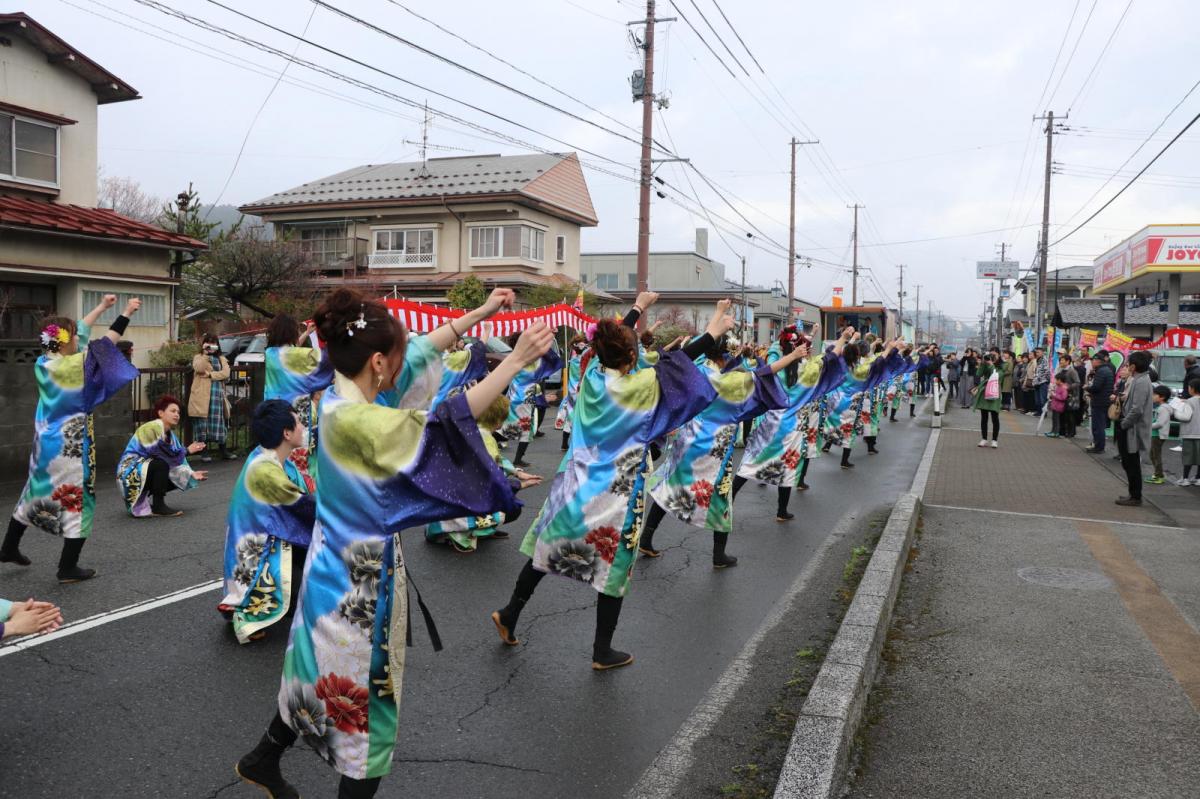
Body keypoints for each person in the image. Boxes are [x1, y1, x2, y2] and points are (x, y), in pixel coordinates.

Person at [234, 286, 548, 798]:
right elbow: (444, 430)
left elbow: (422, 350)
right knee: (368, 726)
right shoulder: (361, 420)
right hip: (360, 586)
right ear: (378, 362)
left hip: (328, 569)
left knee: (315, 672)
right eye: (397, 355)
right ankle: (276, 761)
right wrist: (512, 362)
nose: (409, 359)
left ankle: (263, 757)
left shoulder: (340, 394)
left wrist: (481, 313)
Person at [490, 294, 730, 672]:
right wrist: (715, 325)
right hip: (616, 492)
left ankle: (510, 612)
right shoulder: (642, 386)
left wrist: (637, 307)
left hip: (575, 485)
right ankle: (602, 650)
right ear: (632, 357)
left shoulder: (592, 376)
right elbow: (682, 362)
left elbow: (622, 342)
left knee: (547, 549)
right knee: (615, 565)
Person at [0, 294, 141, 581]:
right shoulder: (75, 365)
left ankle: (8, 548)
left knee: (34, 492)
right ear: (64, 341)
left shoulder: (45, 361)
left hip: (45, 443)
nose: (79, 337)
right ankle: (67, 567)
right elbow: (107, 343)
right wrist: (126, 312)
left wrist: (101, 307)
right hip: (71, 446)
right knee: (81, 499)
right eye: (75, 336)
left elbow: (79, 329)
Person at [638, 323, 805, 567]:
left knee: (670, 487)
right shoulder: (733, 383)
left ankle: (647, 536)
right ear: (726, 354)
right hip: (715, 445)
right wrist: (792, 356)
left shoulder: (700, 371)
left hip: (690, 438)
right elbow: (763, 374)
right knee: (721, 497)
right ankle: (718, 554)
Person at [218, 400, 317, 644]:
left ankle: (294, 599)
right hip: (258, 549)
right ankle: (245, 611)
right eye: (299, 423)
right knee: (319, 541)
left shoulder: (269, 458)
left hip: (265, 536)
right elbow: (303, 506)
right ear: (286, 432)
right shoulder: (264, 469)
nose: (303, 427)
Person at [733, 325, 852, 520]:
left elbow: (768, 365)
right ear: (801, 349)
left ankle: (729, 498)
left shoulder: (776, 369)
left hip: (771, 422)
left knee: (750, 463)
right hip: (792, 427)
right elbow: (831, 357)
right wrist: (843, 338)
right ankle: (781, 511)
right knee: (788, 466)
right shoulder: (809, 370)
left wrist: (788, 344)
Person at [425, 394, 542, 553]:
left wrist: (516, 473)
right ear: (498, 420)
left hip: (446, 494)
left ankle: (473, 530)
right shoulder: (486, 438)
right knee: (512, 506)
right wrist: (519, 484)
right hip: (465, 497)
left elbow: (496, 462)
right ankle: (461, 534)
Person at [263, 314, 335, 480]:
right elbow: (325, 361)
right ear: (291, 333)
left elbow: (291, 352)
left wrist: (307, 333)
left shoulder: (271, 354)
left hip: (272, 416)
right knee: (301, 465)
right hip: (296, 418)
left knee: (276, 460)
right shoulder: (295, 356)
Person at [117, 394, 208, 518]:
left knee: (176, 476)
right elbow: (159, 454)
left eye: (178, 412)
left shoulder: (171, 436)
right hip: (129, 471)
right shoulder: (151, 427)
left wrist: (191, 473)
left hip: (144, 469)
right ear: (161, 413)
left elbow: (176, 461)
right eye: (172, 411)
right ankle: (159, 506)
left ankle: (152, 503)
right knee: (161, 464)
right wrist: (187, 450)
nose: (177, 414)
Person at [500, 333, 564, 467]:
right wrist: (547, 337)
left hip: (513, 395)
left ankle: (488, 446)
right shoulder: (531, 358)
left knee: (508, 425)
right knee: (524, 429)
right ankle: (517, 459)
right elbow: (551, 357)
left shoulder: (514, 357)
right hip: (525, 397)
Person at [190, 333, 236, 463]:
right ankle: (203, 452)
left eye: (214, 342)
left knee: (219, 423)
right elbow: (199, 368)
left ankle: (223, 450)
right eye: (208, 342)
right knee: (202, 424)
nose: (211, 345)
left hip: (217, 395)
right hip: (202, 395)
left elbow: (226, 374)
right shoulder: (199, 357)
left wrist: (210, 375)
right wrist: (205, 353)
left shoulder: (222, 358)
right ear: (204, 344)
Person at [1115, 351, 1153, 506]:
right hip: (1131, 426)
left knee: (1131, 463)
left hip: (1132, 428)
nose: (1127, 365)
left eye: (1129, 363)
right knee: (1128, 462)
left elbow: (1137, 409)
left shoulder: (1142, 381)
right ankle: (1133, 493)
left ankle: (1135, 496)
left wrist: (1124, 424)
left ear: (1134, 366)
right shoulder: (1139, 379)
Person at [554, 335, 588, 450]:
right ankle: (577, 443)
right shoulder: (584, 360)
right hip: (581, 390)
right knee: (580, 418)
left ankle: (564, 442)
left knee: (570, 417)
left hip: (571, 391)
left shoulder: (572, 360)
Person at [1085, 352, 1115, 454]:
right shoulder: (1106, 369)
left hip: (1099, 401)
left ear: (1098, 361)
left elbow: (1096, 387)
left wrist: (1087, 388)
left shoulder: (1101, 371)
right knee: (1099, 425)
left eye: (1093, 360)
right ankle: (1098, 445)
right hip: (1103, 401)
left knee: (1098, 426)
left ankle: (1099, 447)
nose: (1091, 362)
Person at [973, 352, 1002, 448]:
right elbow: (978, 373)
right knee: (984, 417)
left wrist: (991, 364)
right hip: (985, 392)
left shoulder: (1001, 366)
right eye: (990, 355)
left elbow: (997, 376)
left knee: (995, 417)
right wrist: (982, 363)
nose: (991, 357)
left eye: (994, 355)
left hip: (994, 392)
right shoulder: (985, 364)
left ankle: (994, 440)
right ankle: (984, 439)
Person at [1146, 385, 1172, 485]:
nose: (1152, 396)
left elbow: (1160, 423)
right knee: (1152, 455)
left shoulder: (1163, 409)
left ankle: (1159, 476)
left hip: (1158, 435)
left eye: (1155, 394)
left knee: (1156, 455)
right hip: (1155, 434)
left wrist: (1148, 426)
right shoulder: (1160, 407)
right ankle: (1157, 474)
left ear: (1162, 397)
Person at [1178, 380, 1200, 486]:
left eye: (1189, 387)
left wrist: (1176, 413)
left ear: (1192, 389)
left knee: (1188, 456)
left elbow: (1186, 417)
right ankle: (1198, 478)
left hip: (1190, 433)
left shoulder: (1189, 402)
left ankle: (1185, 478)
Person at [1046, 374, 1068, 438]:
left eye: (1056, 380)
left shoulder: (1063, 388)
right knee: (1054, 419)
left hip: (1058, 407)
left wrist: (1054, 395)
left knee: (1056, 420)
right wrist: (1052, 395)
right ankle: (1052, 431)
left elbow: (1063, 397)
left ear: (1060, 380)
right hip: (1055, 406)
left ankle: (1056, 432)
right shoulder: (1058, 386)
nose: (1055, 381)